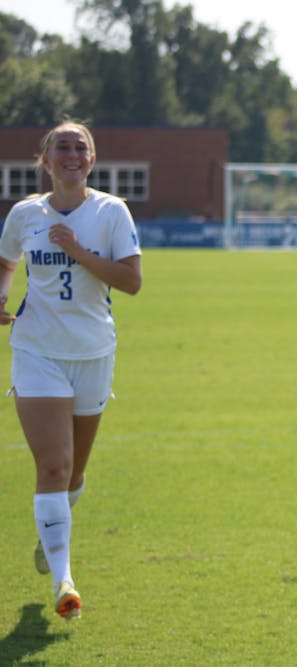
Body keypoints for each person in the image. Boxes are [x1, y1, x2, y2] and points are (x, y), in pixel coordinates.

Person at [0, 121, 143, 620]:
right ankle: (64, 579)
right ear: (46, 161)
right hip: (37, 350)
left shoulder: (110, 212)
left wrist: (77, 252)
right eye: (61, 146)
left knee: (74, 472)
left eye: (79, 146)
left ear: (92, 158)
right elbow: (6, 261)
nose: (71, 153)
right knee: (53, 466)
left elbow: (132, 281)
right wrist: (0, 296)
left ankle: (52, 530)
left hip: (93, 352)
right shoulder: (24, 214)